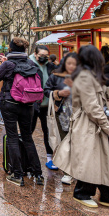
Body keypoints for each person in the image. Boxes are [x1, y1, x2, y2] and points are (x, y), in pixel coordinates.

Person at [53, 45, 109, 212]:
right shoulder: (85, 78)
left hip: (93, 127)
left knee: (102, 160)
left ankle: (107, 196)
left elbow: (101, 96)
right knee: (96, 161)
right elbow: (92, 107)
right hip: (89, 127)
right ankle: (87, 194)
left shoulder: (88, 76)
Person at [0, 37, 44, 186]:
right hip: (28, 104)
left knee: (12, 137)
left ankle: (17, 175)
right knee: (28, 138)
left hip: (10, 103)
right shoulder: (31, 63)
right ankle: (38, 174)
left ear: (11, 49)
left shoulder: (8, 64)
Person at [44, 52, 78, 185]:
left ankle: (78, 171)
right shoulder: (55, 75)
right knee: (65, 143)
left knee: (78, 143)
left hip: (80, 113)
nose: (71, 66)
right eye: (69, 63)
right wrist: (58, 93)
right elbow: (46, 90)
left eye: (74, 64)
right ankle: (68, 173)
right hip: (62, 113)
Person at [30, 44, 55, 170]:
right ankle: (27, 157)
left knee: (48, 132)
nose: (44, 58)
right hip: (33, 104)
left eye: (46, 56)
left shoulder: (51, 66)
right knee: (29, 131)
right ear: (35, 54)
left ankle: (50, 158)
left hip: (47, 105)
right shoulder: (30, 65)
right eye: (41, 56)